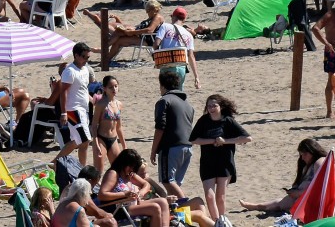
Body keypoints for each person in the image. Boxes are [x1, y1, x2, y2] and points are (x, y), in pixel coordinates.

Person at [240, 138, 335, 214]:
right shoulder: (308, 165)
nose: (302, 158)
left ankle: (257, 206)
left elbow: (330, 183)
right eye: (301, 155)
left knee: (280, 204)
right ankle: (256, 206)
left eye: (304, 154)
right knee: (280, 203)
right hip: (306, 197)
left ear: (313, 151)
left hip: (317, 200)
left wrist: (299, 193)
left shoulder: (320, 162)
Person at [190, 94, 250, 224]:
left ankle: (221, 221)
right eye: (209, 106)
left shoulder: (228, 121)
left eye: (214, 105)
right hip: (208, 163)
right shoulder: (204, 121)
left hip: (225, 162)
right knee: (209, 196)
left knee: (220, 197)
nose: (211, 108)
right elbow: (193, 139)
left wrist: (225, 141)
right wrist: (212, 141)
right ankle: (216, 222)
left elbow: (247, 138)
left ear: (221, 106)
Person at [151, 68, 194, 200]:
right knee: (176, 183)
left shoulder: (164, 100)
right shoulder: (187, 104)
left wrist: (153, 150)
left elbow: (160, 128)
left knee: (168, 180)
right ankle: (179, 214)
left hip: (171, 147)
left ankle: (187, 209)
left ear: (162, 85)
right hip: (187, 147)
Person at [95, 151, 171, 227]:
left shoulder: (129, 174)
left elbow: (146, 184)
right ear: (124, 163)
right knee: (155, 208)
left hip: (131, 204)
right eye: (131, 166)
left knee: (163, 201)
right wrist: (124, 194)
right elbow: (102, 195)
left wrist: (141, 193)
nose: (132, 169)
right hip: (118, 208)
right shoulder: (113, 174)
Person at [55, 42, 94, 165]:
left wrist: (94, 101)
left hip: (84, 110)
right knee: (85, 140)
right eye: (84, 57)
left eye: (88, 57)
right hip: (73, 110)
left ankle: (54, 163)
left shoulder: (85, 70)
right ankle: (82, 169)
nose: (86, 60)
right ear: (76, 55)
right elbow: (63, 92)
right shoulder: (70, 71)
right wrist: (64, 112)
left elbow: (83, 89)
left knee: (78, 141)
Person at [154, 6, 201, 91]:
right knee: (178, 93)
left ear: (173, 17)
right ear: (184, 20)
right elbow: (191, 56)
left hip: (166, 64)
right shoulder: (189, 35)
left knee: (166, 92)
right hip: (181, 66)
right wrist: (196, 77)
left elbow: (156, 44)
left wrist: (156, 57)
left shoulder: (165, 26)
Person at [90, 74, 125, 170]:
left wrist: (124, 146)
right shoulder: (101, 104)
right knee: (98, 170)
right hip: (101, 138)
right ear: (104, 88)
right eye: (110, 87)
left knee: (118, 169)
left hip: (113, 139)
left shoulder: (119, 104)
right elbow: (94, 125)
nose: (114, 89)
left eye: (116, 86)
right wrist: (96, 143)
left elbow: (119, 128)